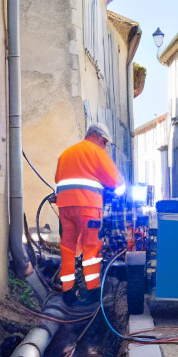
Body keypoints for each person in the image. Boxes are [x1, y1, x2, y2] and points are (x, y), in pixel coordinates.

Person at [54, 123, 123, 306]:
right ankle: (92, 291)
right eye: (105, 143)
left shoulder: (66, 153)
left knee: (68, 247)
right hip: (88, 207)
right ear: (99, 138)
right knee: (91, 247)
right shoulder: (97, 152)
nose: (104, 147)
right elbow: (116, 182)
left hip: (65, 207)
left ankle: (67, 291)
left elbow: (58, 179)